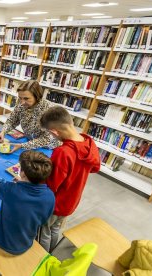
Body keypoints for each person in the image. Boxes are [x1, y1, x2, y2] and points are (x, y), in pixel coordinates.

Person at [0, 151, 55, 275]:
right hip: (27, 240)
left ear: (23, 173)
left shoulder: (11, 190)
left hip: (4, 241)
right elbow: (42, 220)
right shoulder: (50, 195)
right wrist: (22, 183)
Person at [39, 106, 100, 252]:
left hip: (56, 204)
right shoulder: (88, 142)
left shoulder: (62, 152)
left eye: (51, 134)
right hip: (71, 201)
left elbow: (52, 185)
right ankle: (51, 253)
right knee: (55, 228)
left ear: (54, 132)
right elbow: (95, 168)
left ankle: (41, 258)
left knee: (44, 232)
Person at [0, 80, 60, 151]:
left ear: (37, 96)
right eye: (20, 98)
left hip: (49, 148)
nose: (22, 102)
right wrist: (3, 132)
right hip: (30, 142)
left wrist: (23, 145)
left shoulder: (49, 109)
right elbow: (12, 121)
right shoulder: (21, 105)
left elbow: (47, 139)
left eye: (26, 98)